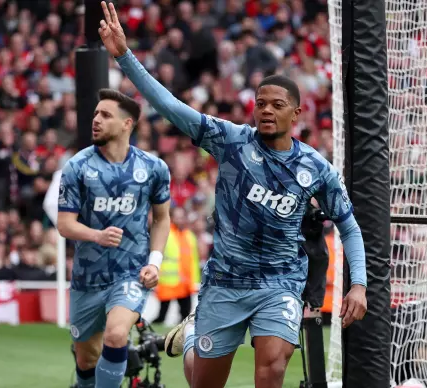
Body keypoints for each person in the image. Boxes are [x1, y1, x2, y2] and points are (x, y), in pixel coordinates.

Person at [99, 3, 368, 388]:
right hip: (225, 281)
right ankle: (192, 336)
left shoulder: (316, 168)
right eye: (260, 104)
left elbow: (349, 225)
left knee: (272, 364)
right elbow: (171, 107)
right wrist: (124, 56)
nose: (266, 111)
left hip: (280, 283)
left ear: (297, 115)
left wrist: (358, 283)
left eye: (277, 105)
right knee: (204, 380)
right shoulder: (230, 141)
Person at [56, 88, 172, 388]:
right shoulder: (77, 168)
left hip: (130, 275)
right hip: (86, 280)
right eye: (96, 113)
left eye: (105, 115)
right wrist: (96, 235)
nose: (96, 119)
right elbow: (65, 224)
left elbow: (161, 220)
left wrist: (155, 263)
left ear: (127, 124)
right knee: (86, 360)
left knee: (118, 334)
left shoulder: (153, 169)